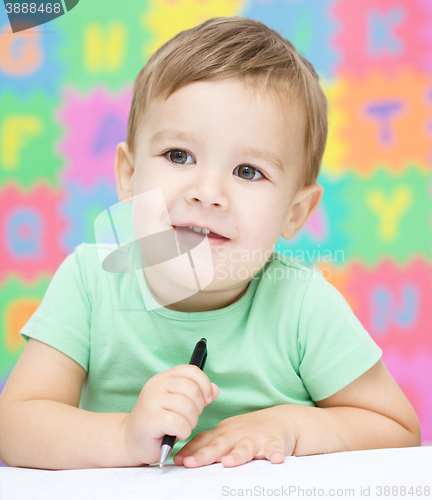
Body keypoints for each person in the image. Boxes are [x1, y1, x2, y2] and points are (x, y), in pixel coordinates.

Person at [0, 17, 421, 471]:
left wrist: (290, 425)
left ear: (295, 212)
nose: (207, 192)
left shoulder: (303, 306)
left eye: (248, 171)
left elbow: (398, 430)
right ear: (129, 175)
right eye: (179, 156)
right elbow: (14, 427)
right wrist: (123, 436)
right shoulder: (90, 281)